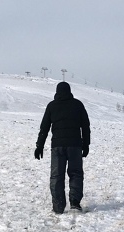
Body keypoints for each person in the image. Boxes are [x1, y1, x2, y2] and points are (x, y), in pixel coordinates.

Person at [34, 81, 90, 214]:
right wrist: (86, 144)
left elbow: (44, 128)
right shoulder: (77, 105)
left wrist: (39, 146)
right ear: (69, 91)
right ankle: (75, 203)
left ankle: (58, 207)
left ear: (57, 91)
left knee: (56, 176)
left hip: (57, 146)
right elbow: (85, 126)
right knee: (75, 173)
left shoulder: (52, 106)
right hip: (75, 146)